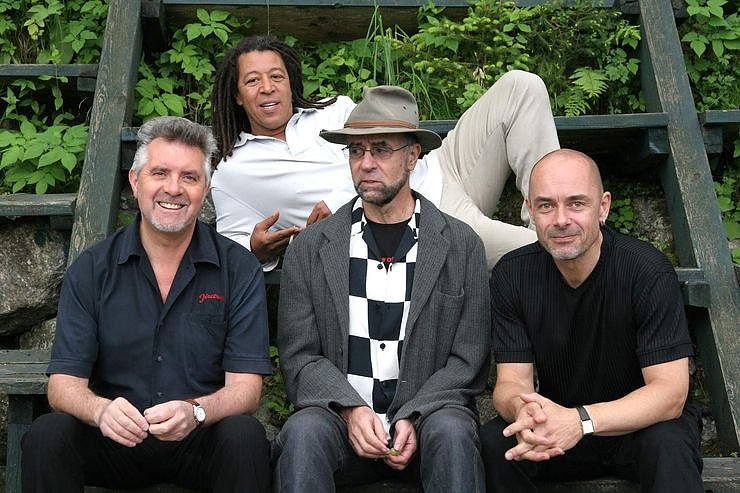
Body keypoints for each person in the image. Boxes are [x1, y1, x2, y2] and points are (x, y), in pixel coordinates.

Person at [21, 116, 273, 493]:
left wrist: (197, 411)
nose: (173, 188)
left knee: (244, 437)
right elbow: (62, 386)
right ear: (135, 181)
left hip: (198, 438)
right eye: (160, 173)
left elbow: (246, 390)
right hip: (115, 437)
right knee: (47, 435)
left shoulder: (238, 269)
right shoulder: (92, 269)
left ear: (205, 190)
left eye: (189, 177)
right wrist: (100, 411)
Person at [272, 85, 491, 492]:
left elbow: (468, 359)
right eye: (356, 151)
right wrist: (350, 409)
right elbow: (300, 356)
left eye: (381, 150)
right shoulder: (311, 247)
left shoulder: (461, 245)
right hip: (340, 423)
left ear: (412, 156)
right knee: (303, 434)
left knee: (453, 432)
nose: (366, 163)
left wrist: (415, 413)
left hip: (429, 421)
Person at [210, 35, 560, 271]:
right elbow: (232, 244)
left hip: (441, 165)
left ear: (291, 83)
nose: (267, 88)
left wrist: (335, 201)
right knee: (548, 252)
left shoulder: (333, 109)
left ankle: (548, 213)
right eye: (252, 81)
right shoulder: (234, 171)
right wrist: (257, 249)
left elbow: (386, 149)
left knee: (521, 86)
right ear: (237, 95)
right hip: (424, 215)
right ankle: (557, 238)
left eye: (277, 76)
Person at [480, 149, 703, 492]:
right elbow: (511, 382)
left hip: (641, 427)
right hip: (561, 425)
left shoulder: (646, 271)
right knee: (497, 443)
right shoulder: (513, 275)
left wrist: (581, 420)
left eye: (576, 203)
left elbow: (670, 394)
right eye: (546, 205)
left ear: (603, 207)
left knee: (668, 443)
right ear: (530, 210)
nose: (561, 219)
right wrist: (523, 411)